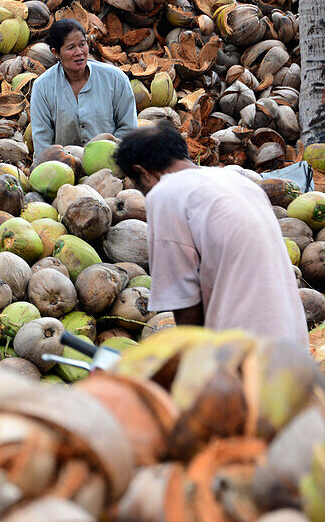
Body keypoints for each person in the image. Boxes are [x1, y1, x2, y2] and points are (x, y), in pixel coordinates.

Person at [114, 121, 309, 346]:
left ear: (143, 174)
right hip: (294, 344)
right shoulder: (238, 181)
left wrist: (193, 362)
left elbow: (184, 301)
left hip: (245, 352)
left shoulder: (165, 193)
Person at [30, 18, 138, 156]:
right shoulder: (42, 87)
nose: (79, 52)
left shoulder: (115, 78)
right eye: (71, 48)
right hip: (66, 168)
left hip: (112, 162)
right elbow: (42, 143)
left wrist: (110, 156)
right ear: (56, 52)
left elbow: (128, 129)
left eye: (82, 44)